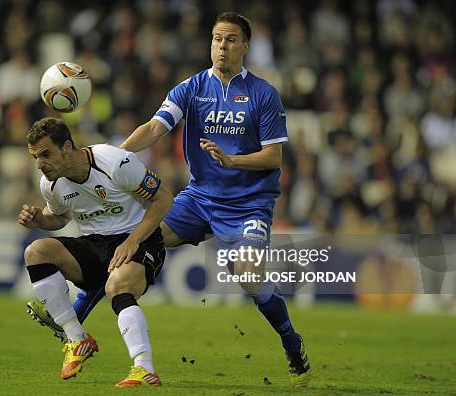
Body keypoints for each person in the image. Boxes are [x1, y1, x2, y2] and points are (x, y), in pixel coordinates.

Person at [28, 11, 311, 388]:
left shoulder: (263, 93)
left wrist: (232, 159)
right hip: (198, 199)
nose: (221, 47)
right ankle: (75, 321)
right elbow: (155, 127)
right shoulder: (192, 87)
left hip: (248, 205)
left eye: (229, 40)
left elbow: (273, 157)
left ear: (245, 46)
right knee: (134, 243)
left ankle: (291, 342)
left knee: (247, 275)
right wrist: (114, 159)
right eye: (216, 39)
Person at [20, 117, 172, 387]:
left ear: (67, 147)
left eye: (45, 154)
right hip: (94, 243)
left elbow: (164, 199)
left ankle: (143, 367)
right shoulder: (50, 183)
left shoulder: (114, 162)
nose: (40, 164)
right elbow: (59, 217)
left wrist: (133, 240)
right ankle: (76, 339)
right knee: (36, 251)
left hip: (139, 238)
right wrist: (40, 221)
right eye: (35, 157)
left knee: (118, 286)